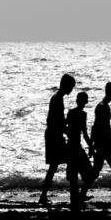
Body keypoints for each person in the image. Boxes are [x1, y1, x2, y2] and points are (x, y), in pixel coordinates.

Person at [88, 81, 111, 212]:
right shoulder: (102, 107)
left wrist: (92, 145)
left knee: (95, 173)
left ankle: (80, 197)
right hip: (104, 146)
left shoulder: (103, 106)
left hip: (102, 145)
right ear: (109, 92)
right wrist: (93, 146)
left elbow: (94, 127)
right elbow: (96, 127)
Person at [38, 73, 75, 206]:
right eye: (71, 86)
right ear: (66, 85)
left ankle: (44, 195)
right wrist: (67, 130)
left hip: (53, 135)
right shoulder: (57, 99)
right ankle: (74, 194)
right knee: (69, 160)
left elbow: (55, 120)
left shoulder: (57, 98)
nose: (72, 89)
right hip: (54, 136)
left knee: (54, 166)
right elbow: (56, 121)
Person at [66, 91, 93, 211]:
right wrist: (91, 146)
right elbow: (85, 134)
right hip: (76, 147)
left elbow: (65, 128)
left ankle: (76, 201)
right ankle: (80, 198)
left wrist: (90, 146)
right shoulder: (82, 114)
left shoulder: (71, 113)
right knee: (88, 174)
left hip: (71, 147)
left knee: (73, 178)